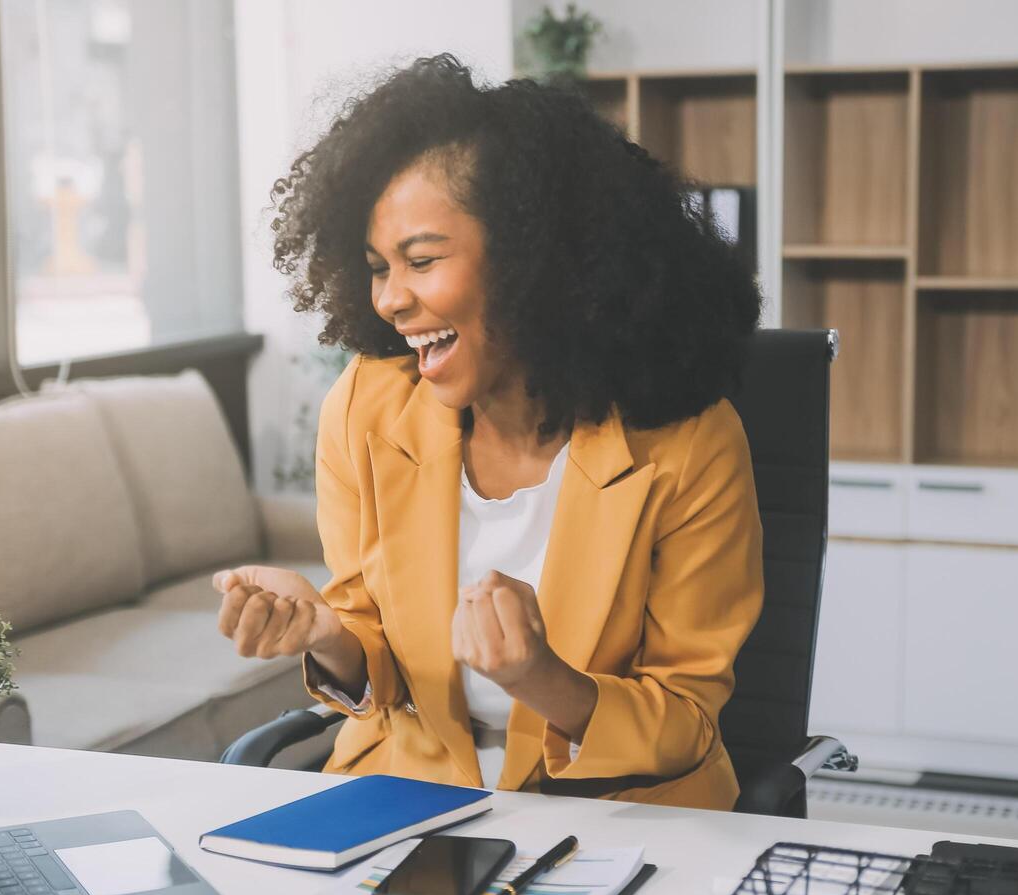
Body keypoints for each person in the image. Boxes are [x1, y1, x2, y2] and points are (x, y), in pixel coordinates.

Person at [214, 54, 763, 810]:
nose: (390, 300)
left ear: (535, 264)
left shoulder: (689, 444)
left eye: (422, 260)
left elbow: (686, 720)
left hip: (619, 814)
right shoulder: (365, 410)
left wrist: (542, 678)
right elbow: (375, 656)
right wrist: (323, 634)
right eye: (378, 267)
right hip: (410, 801)